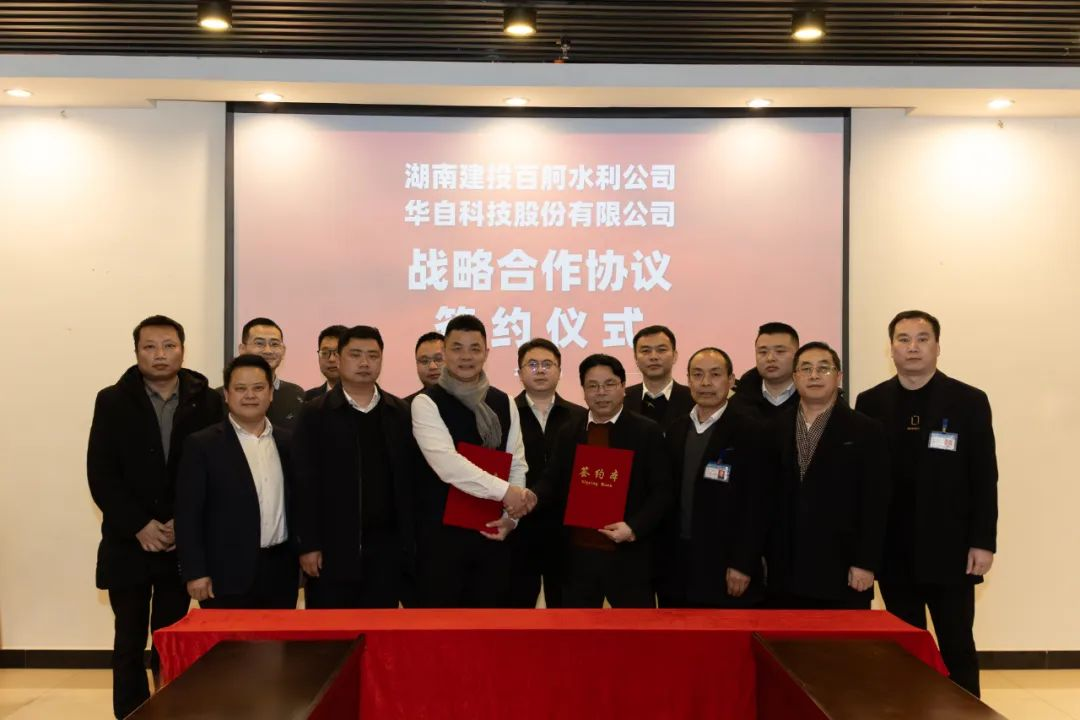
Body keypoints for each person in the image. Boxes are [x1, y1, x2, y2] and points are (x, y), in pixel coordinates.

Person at [855, 310, 997, 698]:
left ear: (937, 346)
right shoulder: (871, 402)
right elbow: (865, 482)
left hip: (952, 549)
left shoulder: (968, 400)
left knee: (956, 644)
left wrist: (983, 541)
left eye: (922, 339)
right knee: (904, 649)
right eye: (903, 339)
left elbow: (984, 476)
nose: (912, 347)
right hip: (894, 549)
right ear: (891, 348)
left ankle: (967, 712)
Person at [87, 315, 223, 719]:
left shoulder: (207, 400)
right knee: (128, 642)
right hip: (128, 543)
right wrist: (139, 525)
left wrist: (185, 521)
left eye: (169, 345)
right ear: (136, 352)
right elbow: (101, 473)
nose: (160, 354)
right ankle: (131, 714)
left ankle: (171, 711)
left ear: (182, 349)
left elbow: (215, 469)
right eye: (149, 346)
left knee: (170, 640)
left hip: (180, 544)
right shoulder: (112, 400)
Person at [410, 315, 532, 607]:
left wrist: (512, 517)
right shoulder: (426, 402)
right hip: (441, 541)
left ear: (486, 353)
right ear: (444, 352)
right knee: (442, 628)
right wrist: (507, 492)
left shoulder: (504, 402)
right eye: (457, 348)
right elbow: (448, 465)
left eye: (474, 348)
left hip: (493, 534)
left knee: (490, 627)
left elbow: (516, 461)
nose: (466, 356)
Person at [292, 326, 417, 608]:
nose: (364, 363)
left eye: (373, 355)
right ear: (338, 358)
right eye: (355, 355)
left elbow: (409, 483)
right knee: (330, 632)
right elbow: (303, 484)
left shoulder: (399, 412)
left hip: (386, 551)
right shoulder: (314, 413)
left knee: (379, 629)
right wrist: (308, 544)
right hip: (331, 550)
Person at [538, 354, 673, 608]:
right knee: (578, 630)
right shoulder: (569, 432)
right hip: (578, 558)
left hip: (628, 557)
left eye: (609, 384)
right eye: (593, 386)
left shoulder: (646, 431)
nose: (601, 393)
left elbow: (662, 491)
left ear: (623, 387)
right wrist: (527, 497)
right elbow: (551, 480)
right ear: (583, 390)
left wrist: (633, 528)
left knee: (633, 631)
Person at [765, 342, 891, 610]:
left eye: (823, 369)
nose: (814, 375)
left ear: (839, 376)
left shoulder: (866, 430)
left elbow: (875, 502)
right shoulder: (772, 428)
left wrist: (865, 563)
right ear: (795, 377)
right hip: (783, 569)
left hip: (843, 570)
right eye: (806, 369)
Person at [176, 354, 298, 609]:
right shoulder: (202, 445)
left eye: (258, 388)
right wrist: (195, 572)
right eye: (240, 389)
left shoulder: (289, 442)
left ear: (270, 393)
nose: (250, 395)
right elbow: (188, 514)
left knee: (280, 636)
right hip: (224, 576)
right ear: (226, 394)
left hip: (281, 572)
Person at [657, 347, 767, 608]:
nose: (705, 383)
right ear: (688, 380)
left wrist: (742, 563)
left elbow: (758, 505)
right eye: (697, 374)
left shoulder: (751, 431)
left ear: (731, 380)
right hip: (676, 564)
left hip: (726, 565)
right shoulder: (676, 429)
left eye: (715, 374)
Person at [510, 338, 587, 608]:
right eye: (532, 365)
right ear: (520, 373)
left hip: (566, 528)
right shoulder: (505, 413)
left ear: (559, 371)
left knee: (566, 608)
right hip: (519, 524)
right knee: (516, 607)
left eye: (547, 364)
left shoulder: (580, 416)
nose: (540, 370)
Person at [236, 317, 306, 428]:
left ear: (283, 350)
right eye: (259, 343)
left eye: (274, 344)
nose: (268, 351)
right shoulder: (223, 396)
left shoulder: (296, 394)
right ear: (242, 349)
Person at [623, 325, 693, 430]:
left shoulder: (693, 398)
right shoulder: (621, 399)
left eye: (661, 350)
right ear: (635, 357)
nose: (653, 357)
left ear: (675, 356)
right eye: (646, 351)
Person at [729, 322, 800, 418]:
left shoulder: (813, 393)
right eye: (763, 352)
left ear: (798, 355)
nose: (770, 358)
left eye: (780, 351)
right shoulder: (741, 398)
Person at [304, 324, 347, 401]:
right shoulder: (307, 399)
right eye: (325, 353)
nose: (331, 359)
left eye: (338, 352)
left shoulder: (368, 397)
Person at [410, 331, 445, 399]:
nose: (432, 367)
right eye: (424, 361)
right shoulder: (406, 405)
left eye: (438, 359)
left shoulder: (466, 399)